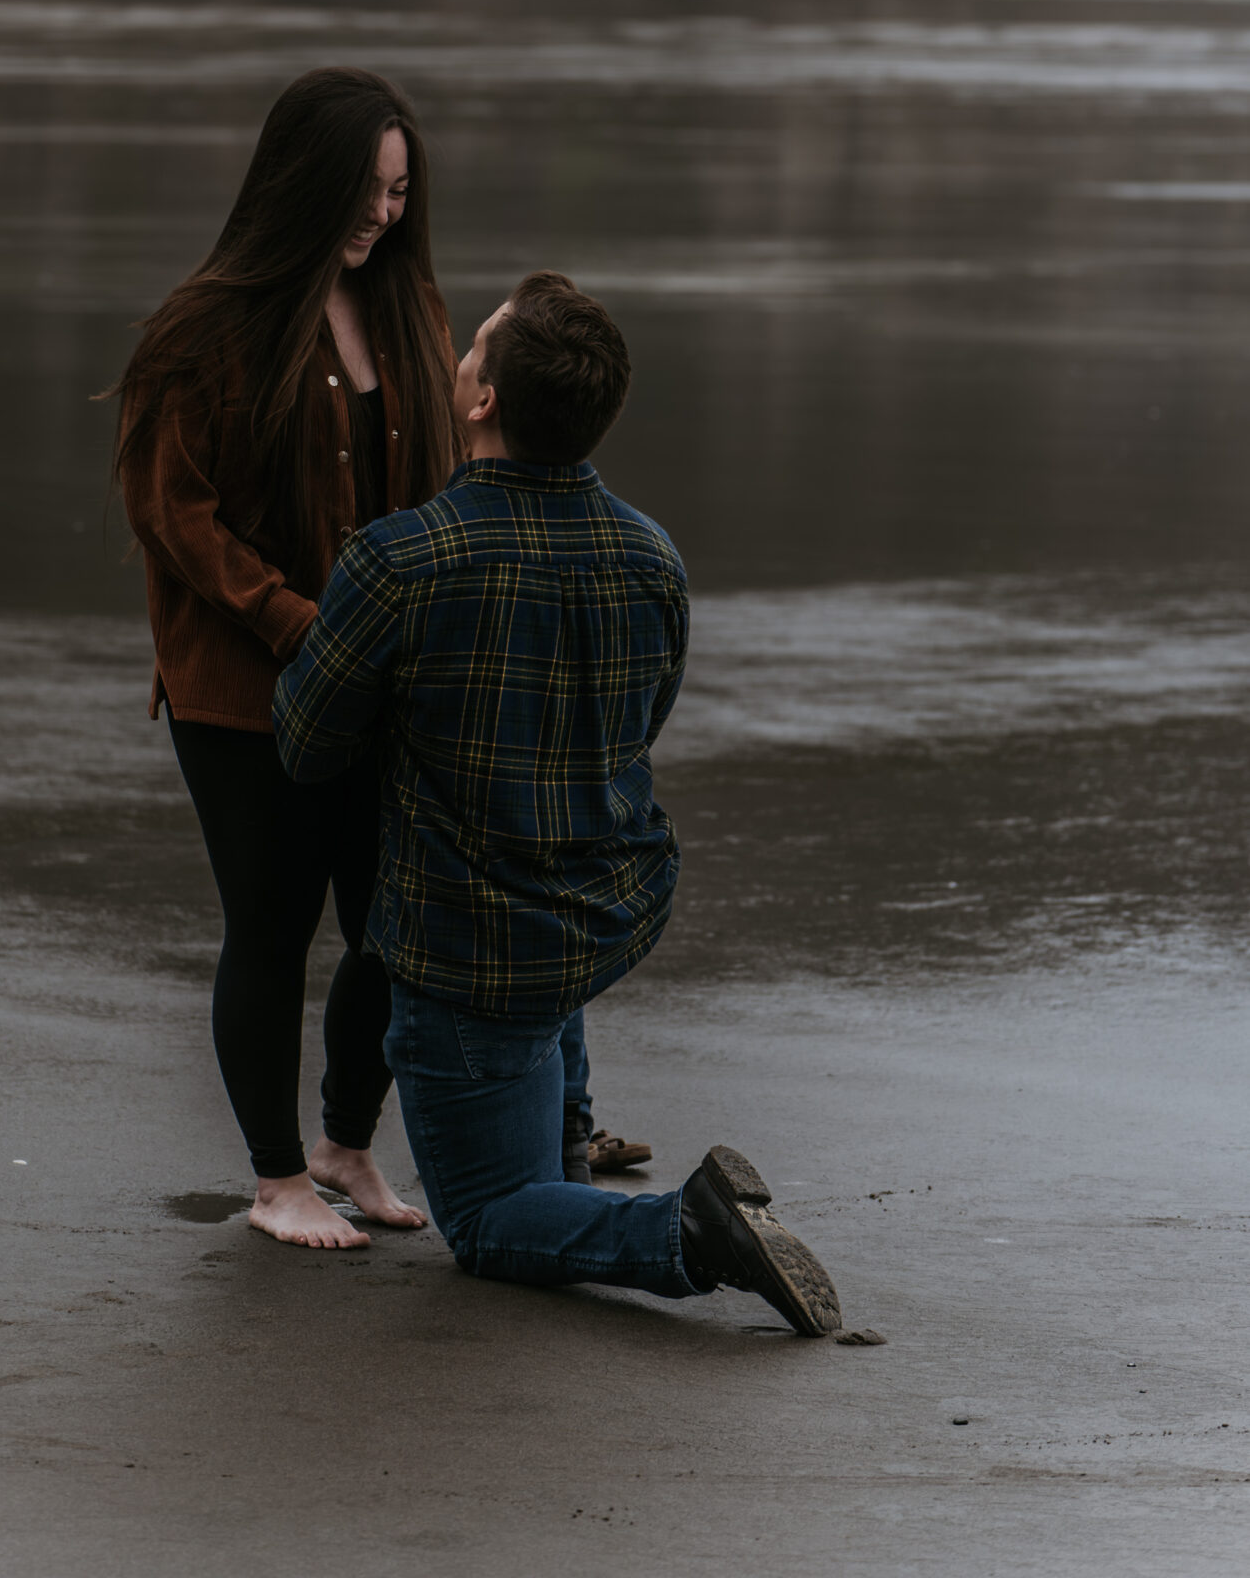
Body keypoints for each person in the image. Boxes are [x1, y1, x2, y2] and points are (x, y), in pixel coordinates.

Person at [272, 272, 843, 1334]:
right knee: (543, 909)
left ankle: (689, 1232)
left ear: (482, 399)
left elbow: (305, 746)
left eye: (474, 345)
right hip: (607, 900)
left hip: (470, 942)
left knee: (487, 1219)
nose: (461, 356)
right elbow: (638, 725)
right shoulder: (651, 555)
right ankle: (569, 1134)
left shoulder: (400, 561)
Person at [115, 68, 459, 1249]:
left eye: (401, 192)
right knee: (270, 923)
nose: (382, 214)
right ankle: (274, 1181)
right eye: (365, 189)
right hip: (243, 688)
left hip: (378, 684)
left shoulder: (414, 310)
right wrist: (290, 618)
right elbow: (173, 509)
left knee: (393, 928)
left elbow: (438, 491)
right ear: (302, 183)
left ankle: (344, 1145)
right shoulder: (205, 326)